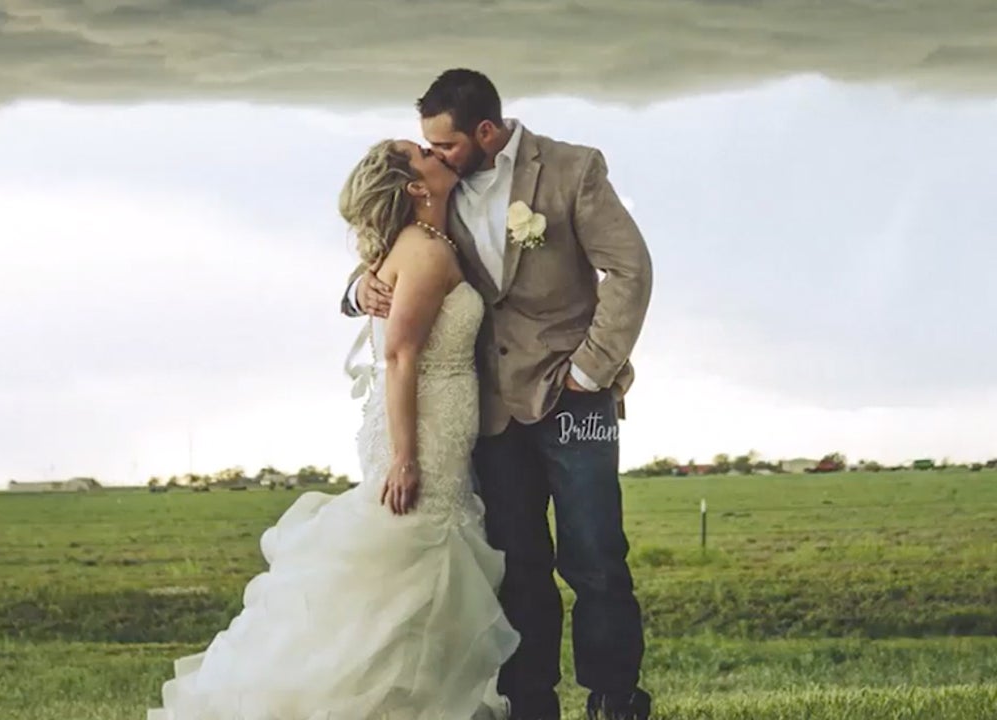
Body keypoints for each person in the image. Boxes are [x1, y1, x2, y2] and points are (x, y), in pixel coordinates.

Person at [148, 138, 520, 719]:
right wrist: (404, 457)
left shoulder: (427, 242)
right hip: (419, 437)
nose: (432, 151)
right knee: (403, 584)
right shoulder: (423, 251)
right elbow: (399, 356)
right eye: (421, 154)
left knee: (414, 589)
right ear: (416, 188)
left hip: (440, 436)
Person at [343, 69, 654, 720]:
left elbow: (628, 267)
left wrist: (590, 372)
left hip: (574, 399)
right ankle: (529, 703)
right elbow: (394, 246)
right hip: (487, 411)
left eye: (444, 145)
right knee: (517, 566)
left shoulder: (573, 169)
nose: (434, 156)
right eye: (427, 148)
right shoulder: (441, 189)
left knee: (595, 555)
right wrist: (357, 291)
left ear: (485, 132)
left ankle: (613, 698)